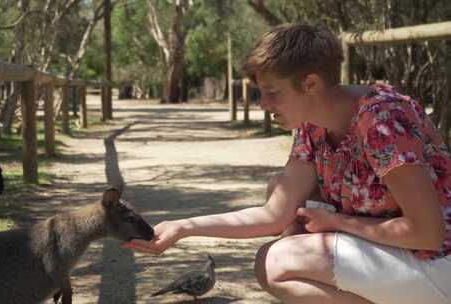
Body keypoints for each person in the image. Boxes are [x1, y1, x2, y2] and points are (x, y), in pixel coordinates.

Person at [120, 24, 451, 304]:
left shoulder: (381, 122)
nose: (263, 104)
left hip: (437, 262)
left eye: (271, 93)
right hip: (394, 254)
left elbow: (428, 233)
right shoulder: (311, 124)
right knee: (277, 227)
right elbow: (273, 213)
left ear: (310, 84)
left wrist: (338, 223)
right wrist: (184, 228)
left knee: (280, 258)